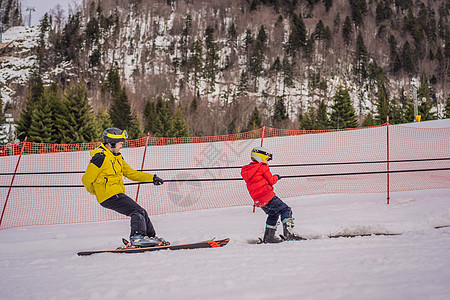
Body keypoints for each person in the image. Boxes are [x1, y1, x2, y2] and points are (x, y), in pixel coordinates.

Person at [82, 127, 166, 247]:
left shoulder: (117, 157)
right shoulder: (100, 157)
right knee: (136, 211)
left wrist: (152, 178)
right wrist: (96, 191)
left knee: (142, 212)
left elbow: (131, 173)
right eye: (120, 143)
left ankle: (150, 238)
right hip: (108, 195)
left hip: (116, 193)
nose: (122, 146)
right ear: (112, 143)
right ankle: (137, 237)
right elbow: (86, 179)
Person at [241, 146, 302, 243]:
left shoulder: (246, 170)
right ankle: (289, 233)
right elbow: (271, 180)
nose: (267, 162)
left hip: (257, 200)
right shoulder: (262, 167)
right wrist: (277, 177)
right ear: (261, 157)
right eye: (266, 159)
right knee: (285, 209)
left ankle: (269, 237)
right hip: (267, 196)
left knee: (273, 214)